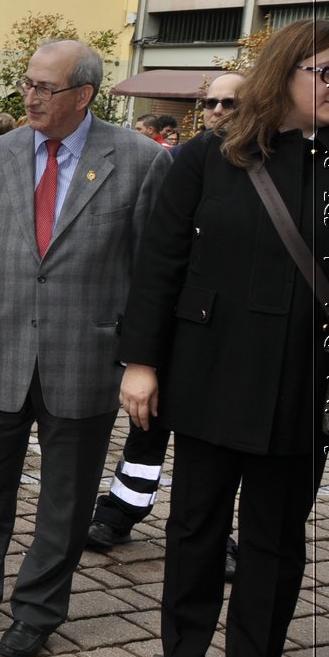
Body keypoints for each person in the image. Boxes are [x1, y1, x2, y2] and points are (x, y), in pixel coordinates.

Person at [119, 19, 329, 657]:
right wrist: (141, 361)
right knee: (193, 526)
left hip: (299, 385)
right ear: (286, 72)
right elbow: (159, 263)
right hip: (211, 371)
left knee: (275, 543)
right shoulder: (210, 157)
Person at [0, 39, 169, 657]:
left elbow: (148, 268)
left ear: (84, 95)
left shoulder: (140, 160)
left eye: (45, 87)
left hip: (84, 356)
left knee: (65, 498)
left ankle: (37, 609)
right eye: (28, 84)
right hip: (2, 345)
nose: (30, 96)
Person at [87, 68, 249, 555]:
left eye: (230, 104)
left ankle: (215, 538)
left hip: (232, 327)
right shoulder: (182, 159)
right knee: (146, 422)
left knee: (219, 441)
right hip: (177, 318)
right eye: (212, 104)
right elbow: (157, 250)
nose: (217, 112)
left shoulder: (272, 165)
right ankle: (120, 511)